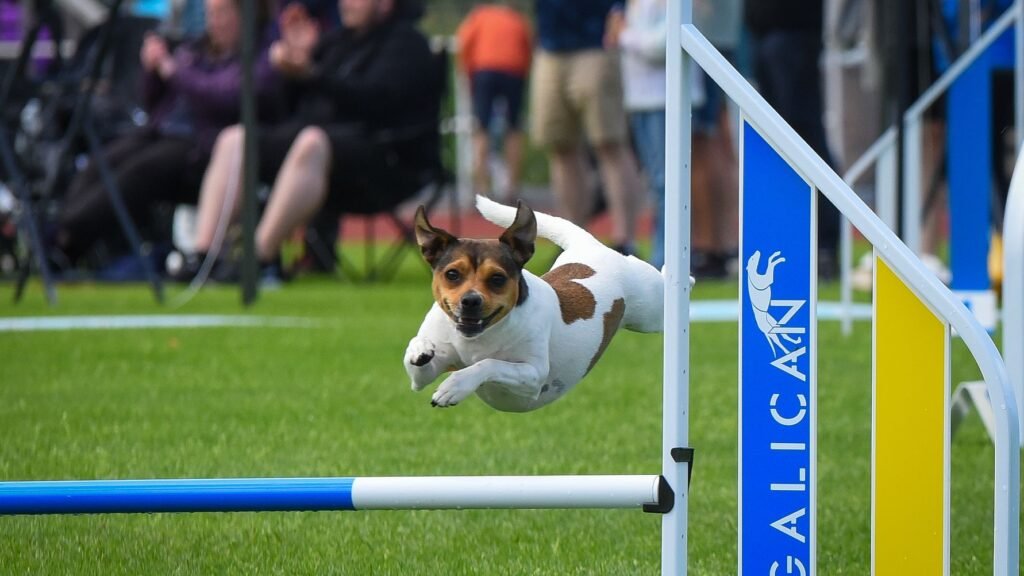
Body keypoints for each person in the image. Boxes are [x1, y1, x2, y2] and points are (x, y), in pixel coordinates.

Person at [177, 0, 437, 284]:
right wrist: (292, 68)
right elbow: (290, 107)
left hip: (385, 161)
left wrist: (314, 74)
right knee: (235, 138)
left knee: (312, 141)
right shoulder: (336, 42)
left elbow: (377, 102)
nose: (345, 4)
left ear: (386, 4)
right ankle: (203, 258)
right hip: (313, 154)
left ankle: (258, 259)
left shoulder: (408, 45)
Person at [50, 0, 277, 269]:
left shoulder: (258, 56)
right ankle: (57, 233)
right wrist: (152, 71)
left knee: (137, 172)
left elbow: (226, 97)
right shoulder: (197, 50)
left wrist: (175, 72)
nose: (215, 21)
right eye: (211, 14)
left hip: (201, 146)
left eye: (222, 14)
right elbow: (152, 101)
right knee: (102, 162)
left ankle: (64, 238)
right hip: (161, 131)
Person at [531, 0, 644, 255]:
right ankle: (572, 243)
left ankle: (625, 242)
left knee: (610, 144)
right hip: (549, 46)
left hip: (597, 44)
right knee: (561, 147)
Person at [745, 0, 840, 278]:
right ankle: (790, 241)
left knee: (804, 139)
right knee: (777, 148)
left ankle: (823, 243)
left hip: (794, 33)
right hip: (765, 35)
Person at [456, 1, 531, 201]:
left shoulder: (478, 17)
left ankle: (481, 189)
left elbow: (464, 44)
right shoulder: (517, 18)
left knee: (482, 129)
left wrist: (467, 74)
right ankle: (513, 189)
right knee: (514, 129)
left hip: (484, 71)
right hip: (514, 71)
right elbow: (528, 49)